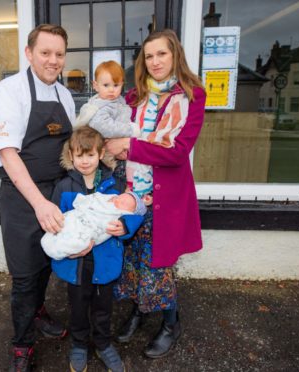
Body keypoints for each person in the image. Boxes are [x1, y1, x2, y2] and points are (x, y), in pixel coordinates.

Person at [105, 29, 206, 359]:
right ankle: (139, 310)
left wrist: (131, 146)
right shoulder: (134, 97)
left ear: (174, 54)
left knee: (159, 265)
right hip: (132, 192)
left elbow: (178, 152)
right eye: (149, 56)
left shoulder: (193, 96)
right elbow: (113, 130)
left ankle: (170, 322)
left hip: (166, 199)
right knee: (133, 259)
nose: (155, 61)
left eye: (161, 54)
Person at [0, 24, 75, 372]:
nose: (53, 61)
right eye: (45, 53)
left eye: (59, 54)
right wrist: (40, 203)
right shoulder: (9, 92)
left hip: (58, 191)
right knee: (24, 275)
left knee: (47, 263)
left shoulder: (65, 96)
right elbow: (8, 155)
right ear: (29, 53)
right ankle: (22, 344)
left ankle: (38, 311)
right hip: (23, 197)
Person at [48, 126, 144, 372]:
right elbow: (55, 222)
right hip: (76, 262)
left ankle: (103, 343)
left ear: (101, 153)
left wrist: (125, 226)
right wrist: (65, 245)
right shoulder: (64, 186)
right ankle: (79, 344)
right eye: (79, 155)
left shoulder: (115, 183)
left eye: (90, 155)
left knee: (103, 308)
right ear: (71, 155)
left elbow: (134, 211)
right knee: (78, 307)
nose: (84, 161)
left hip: (105, 259)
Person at [75, 60, 154, 200]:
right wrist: (131, 130)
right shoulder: (100, 105)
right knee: (115, 182)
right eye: (106, 85)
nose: (111, 90)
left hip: (119, 152)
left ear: (122, 84)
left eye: (116, 85)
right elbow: (104, 127)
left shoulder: (117, 101)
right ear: (95, 85)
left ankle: (133, 194)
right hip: (107, 157)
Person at [41, 191, 146, 260]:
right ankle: (50, 241)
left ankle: (61, 248)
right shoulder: (104, 197)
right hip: (78, 219)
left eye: (124, 203)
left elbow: (137, 219)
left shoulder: (118, 215)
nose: (118, 200)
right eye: (120, 197)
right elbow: (84, 199)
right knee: (65, 226)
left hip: (92, 235)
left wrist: (126, 224)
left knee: (78, 241)